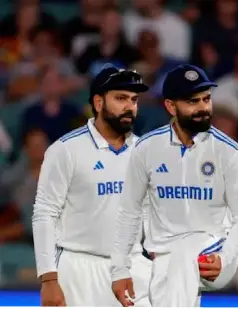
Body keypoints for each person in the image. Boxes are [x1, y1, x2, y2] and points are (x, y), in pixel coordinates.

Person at [111, 64, 238, 307]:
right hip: (163, 256)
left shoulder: (229, 152)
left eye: (206, 99)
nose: (203, 108)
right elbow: (129, 211)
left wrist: (224, 256)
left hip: (216, 250)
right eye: (192, 101)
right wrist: (119, 269)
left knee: (183, 253)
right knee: (162, 270)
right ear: (170, 106)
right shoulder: (146, 149)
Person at [31, 66, 152, 306]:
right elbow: (44, 213)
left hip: (133, 264)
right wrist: (48, 278)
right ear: (98, 102)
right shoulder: (65, 150)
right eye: (120, 98)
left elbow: (150, 214)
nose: (129, 106)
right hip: (79, 270)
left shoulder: (146, 152)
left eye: (134, 100)